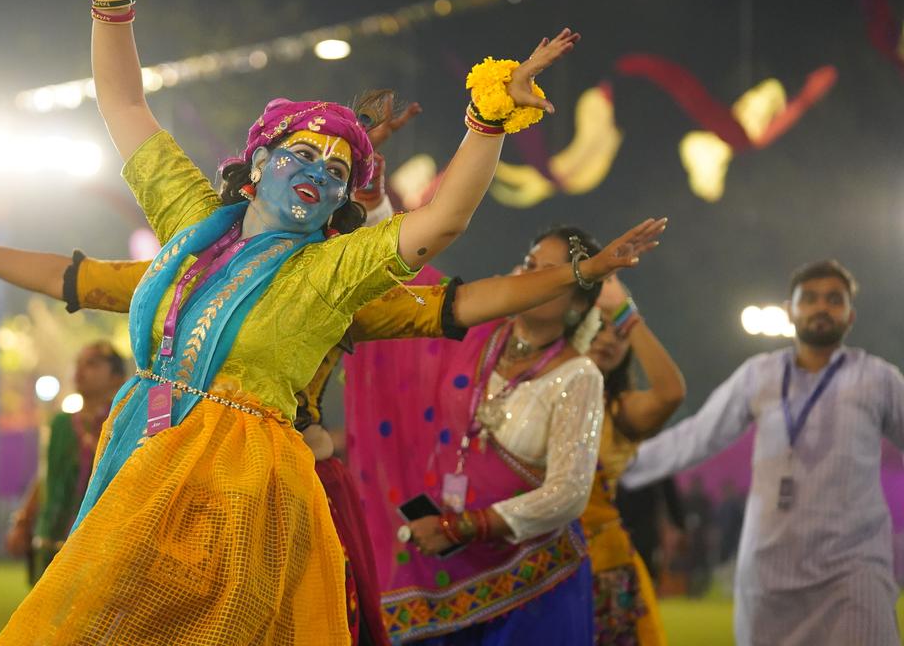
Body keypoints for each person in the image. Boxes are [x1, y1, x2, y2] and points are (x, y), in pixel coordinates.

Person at [0, 0, 580, 640]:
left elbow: (442, 222)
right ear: (255, 167)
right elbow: (125, 106)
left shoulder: (331, 270)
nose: (319, 171)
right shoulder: (194, 226)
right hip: (145, 452)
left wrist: (489, 120)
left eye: (338, 170)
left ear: (340, 201)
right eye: (301, 153)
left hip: (245, 486)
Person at [345, 226, 620, 643]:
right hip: (442, 573)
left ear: (578, 303)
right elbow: (419, 287)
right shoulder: (476, 333)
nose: (529, 277)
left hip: (530, 589)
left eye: (548, 272)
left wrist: (463, 527)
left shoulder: (578, 375)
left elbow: (569, 493)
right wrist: (377, 206)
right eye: (528, 265)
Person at [622, 259, 904, 645]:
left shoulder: (878, 378)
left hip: (853, 565)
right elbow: (697, 435)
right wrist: (618, 464)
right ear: (790, 310)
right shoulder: (760, 374)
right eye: (810, 298)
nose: (821, 307)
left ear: (850, 315)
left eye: (834, 300)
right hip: (771, 566)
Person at [581, 277, 686, 645]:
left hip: (600, 571)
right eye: (599, 326)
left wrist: (626, 312)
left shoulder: (620, 410)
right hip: (529, 563)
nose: (609, 339)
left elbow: (670, 393)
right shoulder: (529, 394)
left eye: (619, 333)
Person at [5, 340, 129, 583]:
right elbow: (45, 476)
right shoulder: (61, 424)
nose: (80, 370)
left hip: (101, 544)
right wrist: (22, 522)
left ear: (117, 378)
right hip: (52, 538)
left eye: (92, 364)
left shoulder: (125, 424)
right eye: (78, 363)